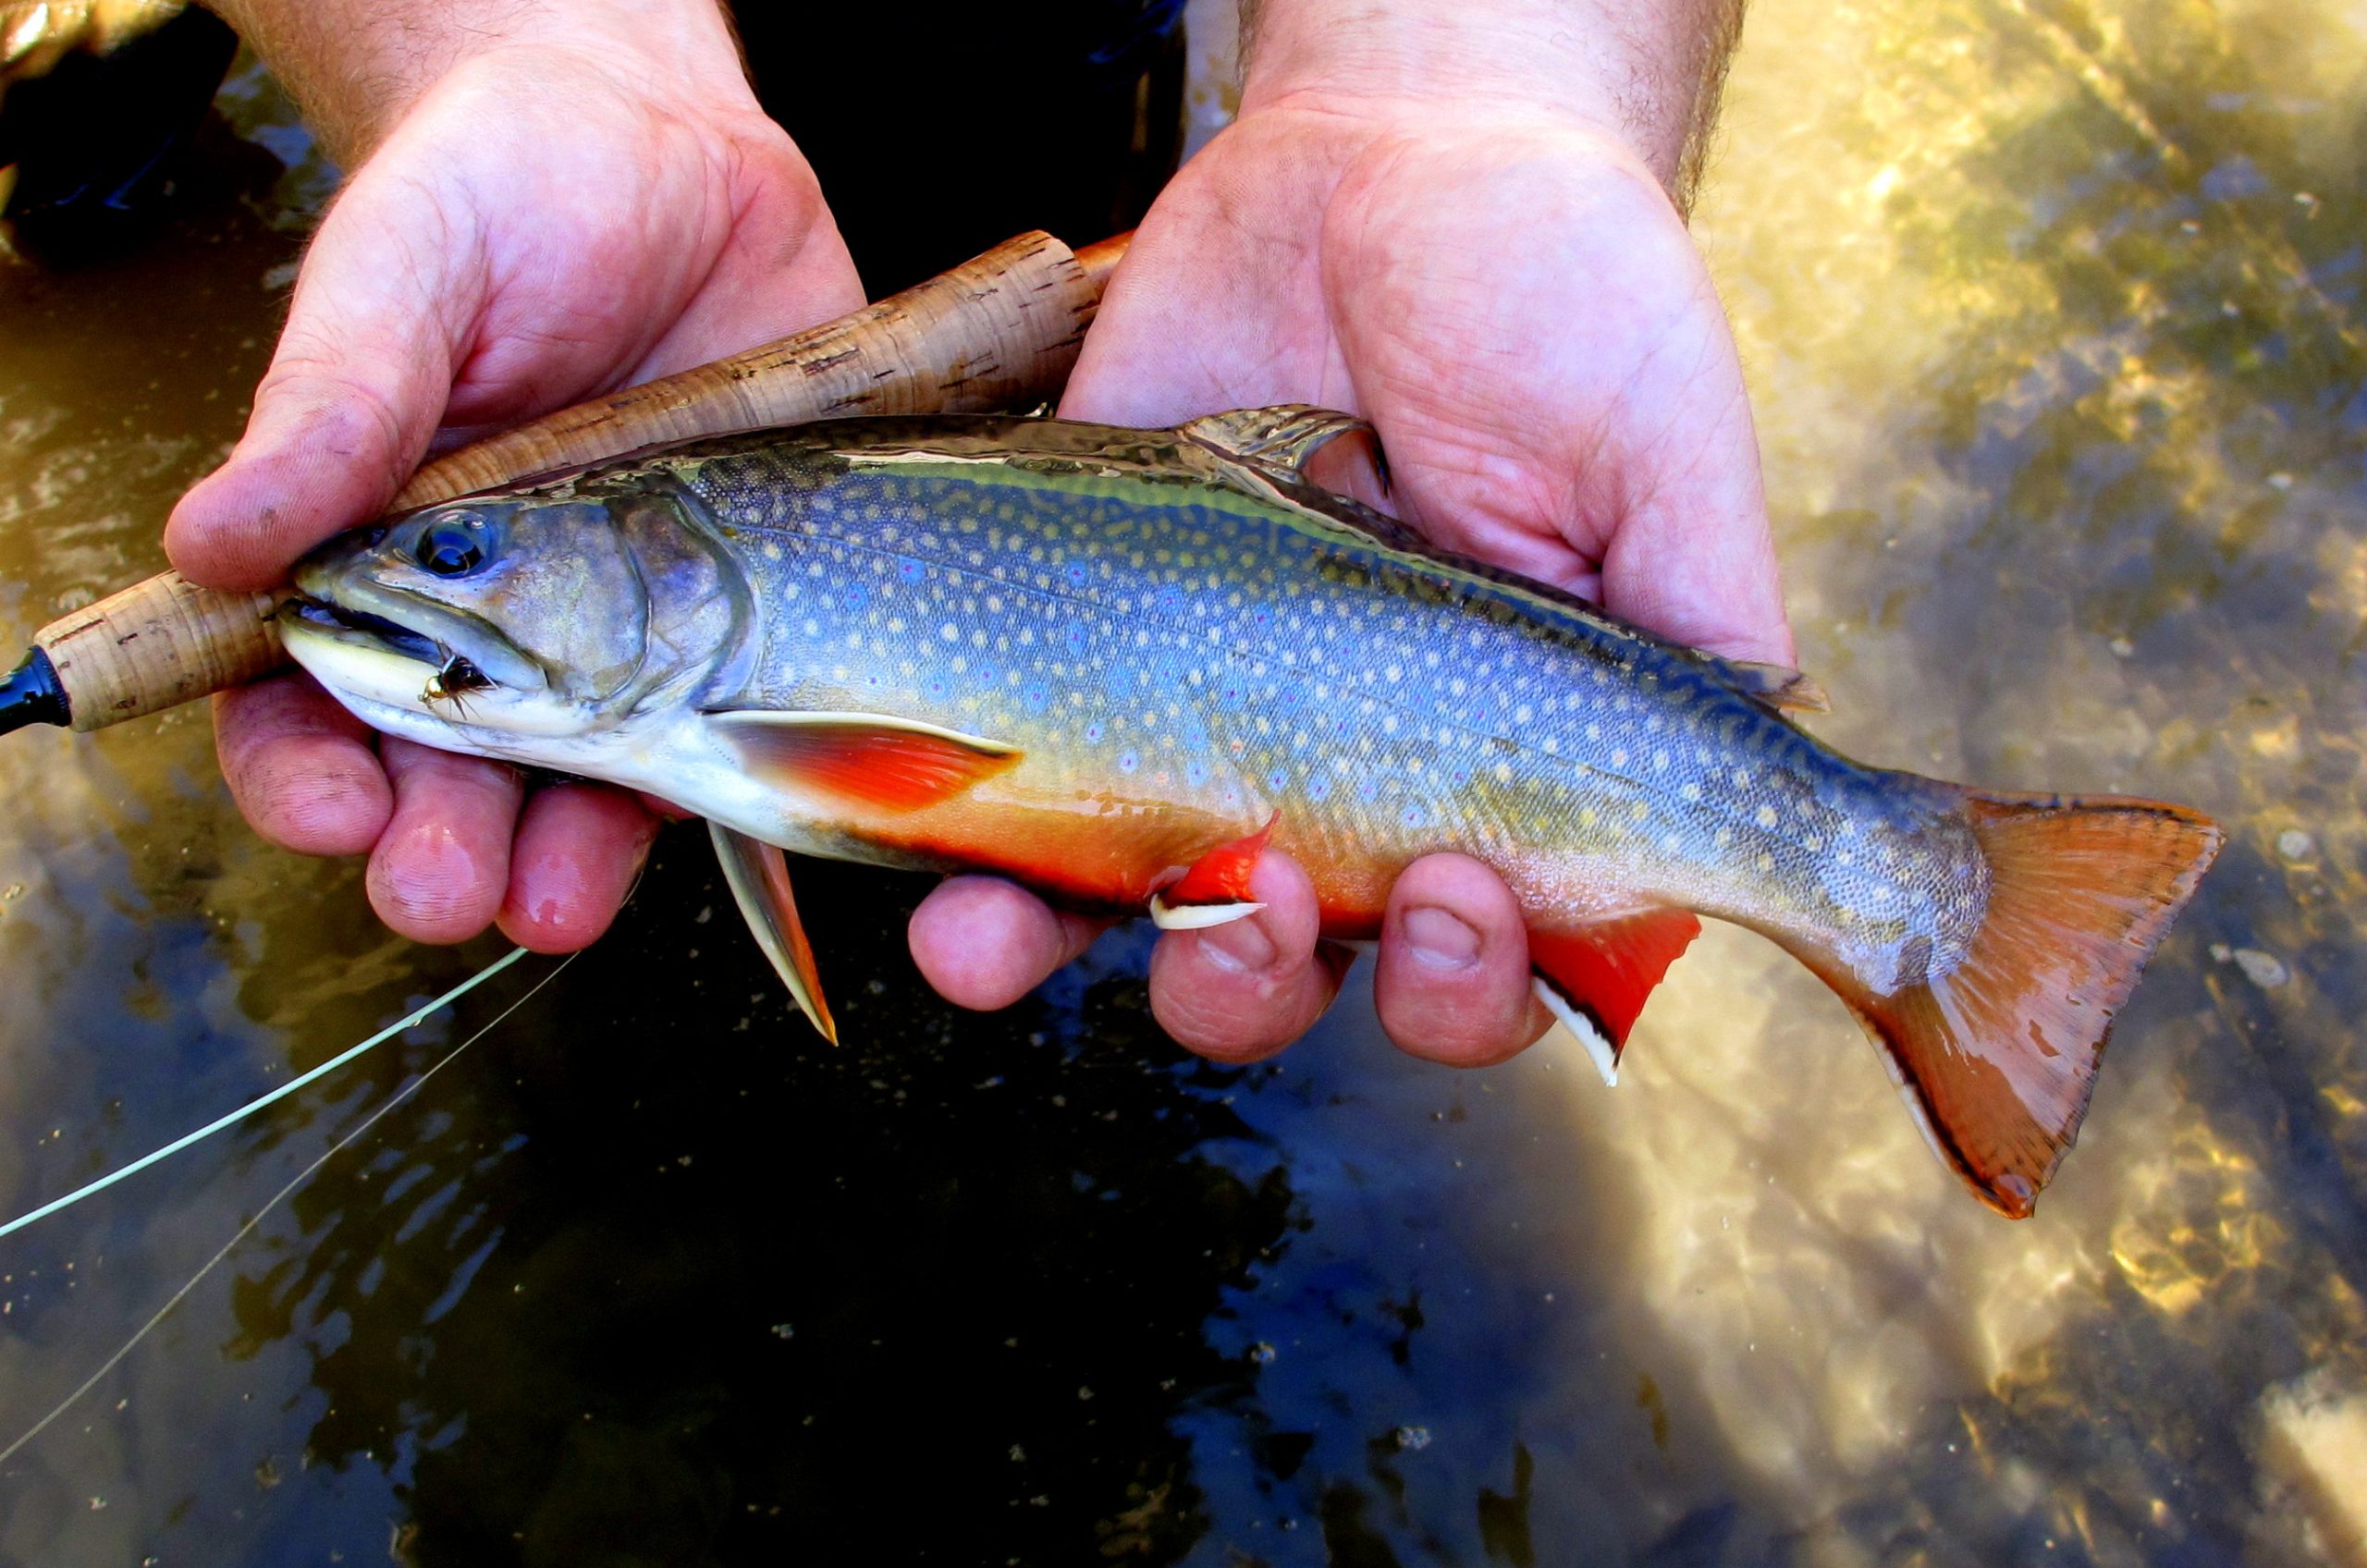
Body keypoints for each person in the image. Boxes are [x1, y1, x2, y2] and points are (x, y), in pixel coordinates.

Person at [166, 0, 1792, 1070]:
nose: (408, 569)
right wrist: (503, 49)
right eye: (459, 557)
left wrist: (1457, 86)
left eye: (459, 556)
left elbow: (893, 769)